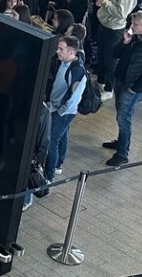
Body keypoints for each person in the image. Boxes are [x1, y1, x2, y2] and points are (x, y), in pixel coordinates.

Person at [102, 12, 142, 166]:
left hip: (132, 87)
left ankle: (122, 153)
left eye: (135, 24)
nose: (131, 26)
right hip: (121, 81)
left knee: (124, 118)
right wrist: (124, 42)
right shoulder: (132, 38)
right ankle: (121, 141)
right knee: (120, 115)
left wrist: (136, 88)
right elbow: (116, 54)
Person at [46, 37, 87, 180]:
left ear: (71, 52)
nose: (57, 51)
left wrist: (60, 111)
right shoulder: (63, 63)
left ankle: (48, 175)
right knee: (61, 137)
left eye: (61, 49)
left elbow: (74, 97)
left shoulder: (77, 71)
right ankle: (57, 165)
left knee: (52, 142)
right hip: (56, 107)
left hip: (63, 112)